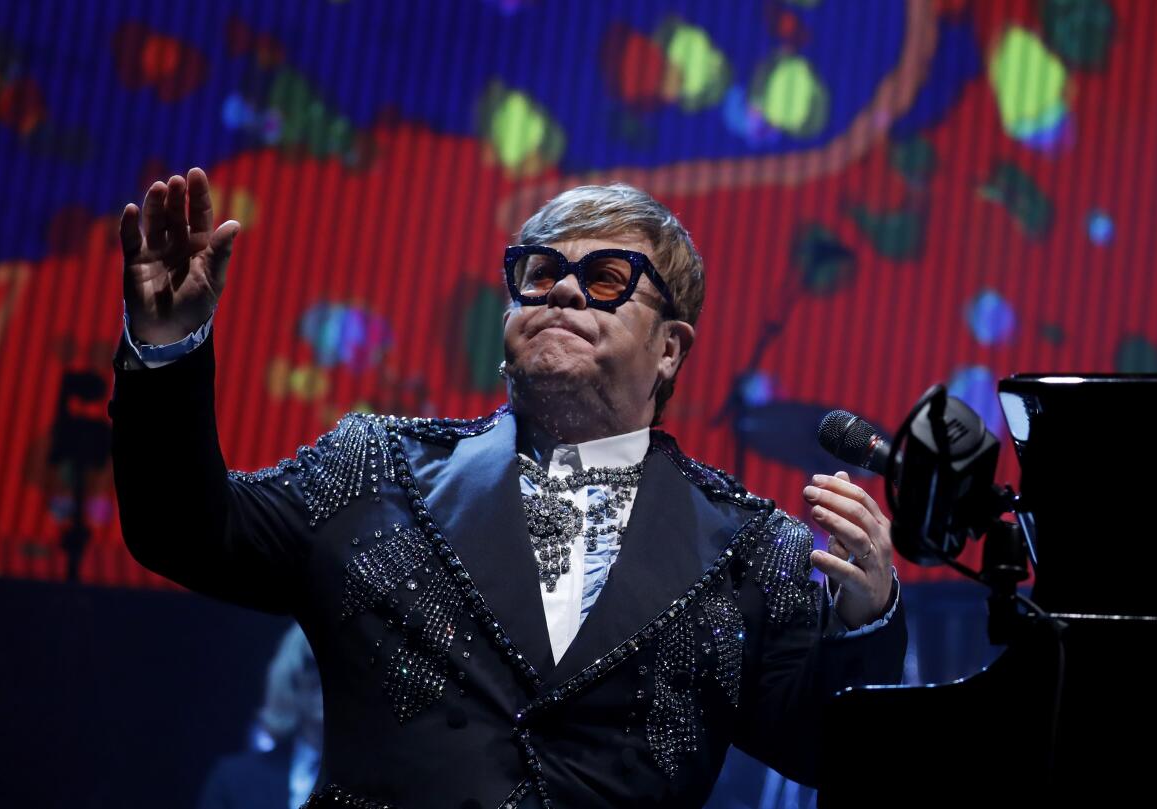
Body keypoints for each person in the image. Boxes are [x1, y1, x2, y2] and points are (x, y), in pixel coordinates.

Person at [111, 168, 906, 808]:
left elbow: (827, 753)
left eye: (604, 278)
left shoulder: (748, 549)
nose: (560, 291)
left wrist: (868, 621)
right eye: (539, 273)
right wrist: (168, 350)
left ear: (670, 349)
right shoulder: (375, 466)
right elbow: (184, 529)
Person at [197, 623, 324, 809]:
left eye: (343, 667)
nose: (327, 679)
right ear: (292, 678)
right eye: (314, 665)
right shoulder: (235, 780)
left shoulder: (378, 781)